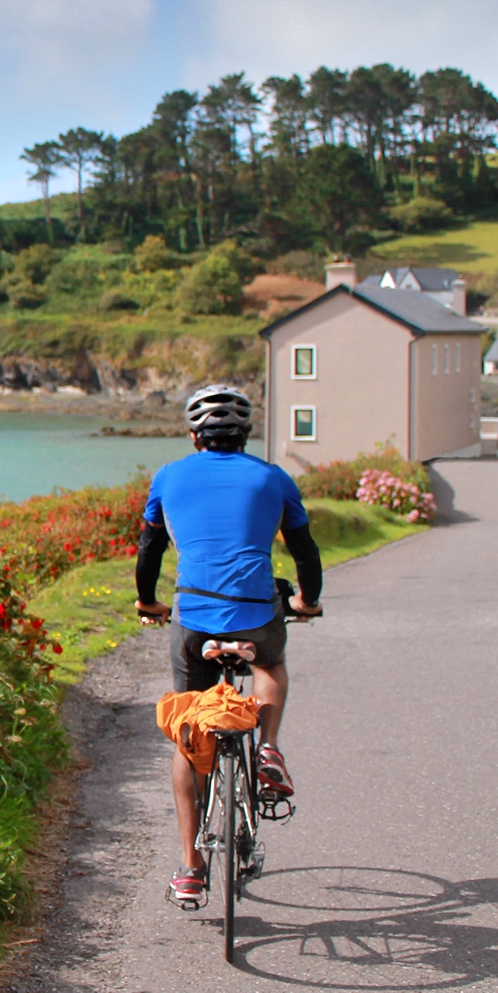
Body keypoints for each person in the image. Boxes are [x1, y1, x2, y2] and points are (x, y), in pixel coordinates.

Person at [134, 384, 323, 905]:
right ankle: (266, 748)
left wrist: (148, 602)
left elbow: (149, 547)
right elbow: (305, 553)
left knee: (189, 728)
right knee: (271, 664)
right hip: (257, 611)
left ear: (194, 435)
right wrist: (306, 601)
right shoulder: (272, 477)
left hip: (194, 618)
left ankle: (190, 867)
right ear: (245, 435)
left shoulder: (169, 477)